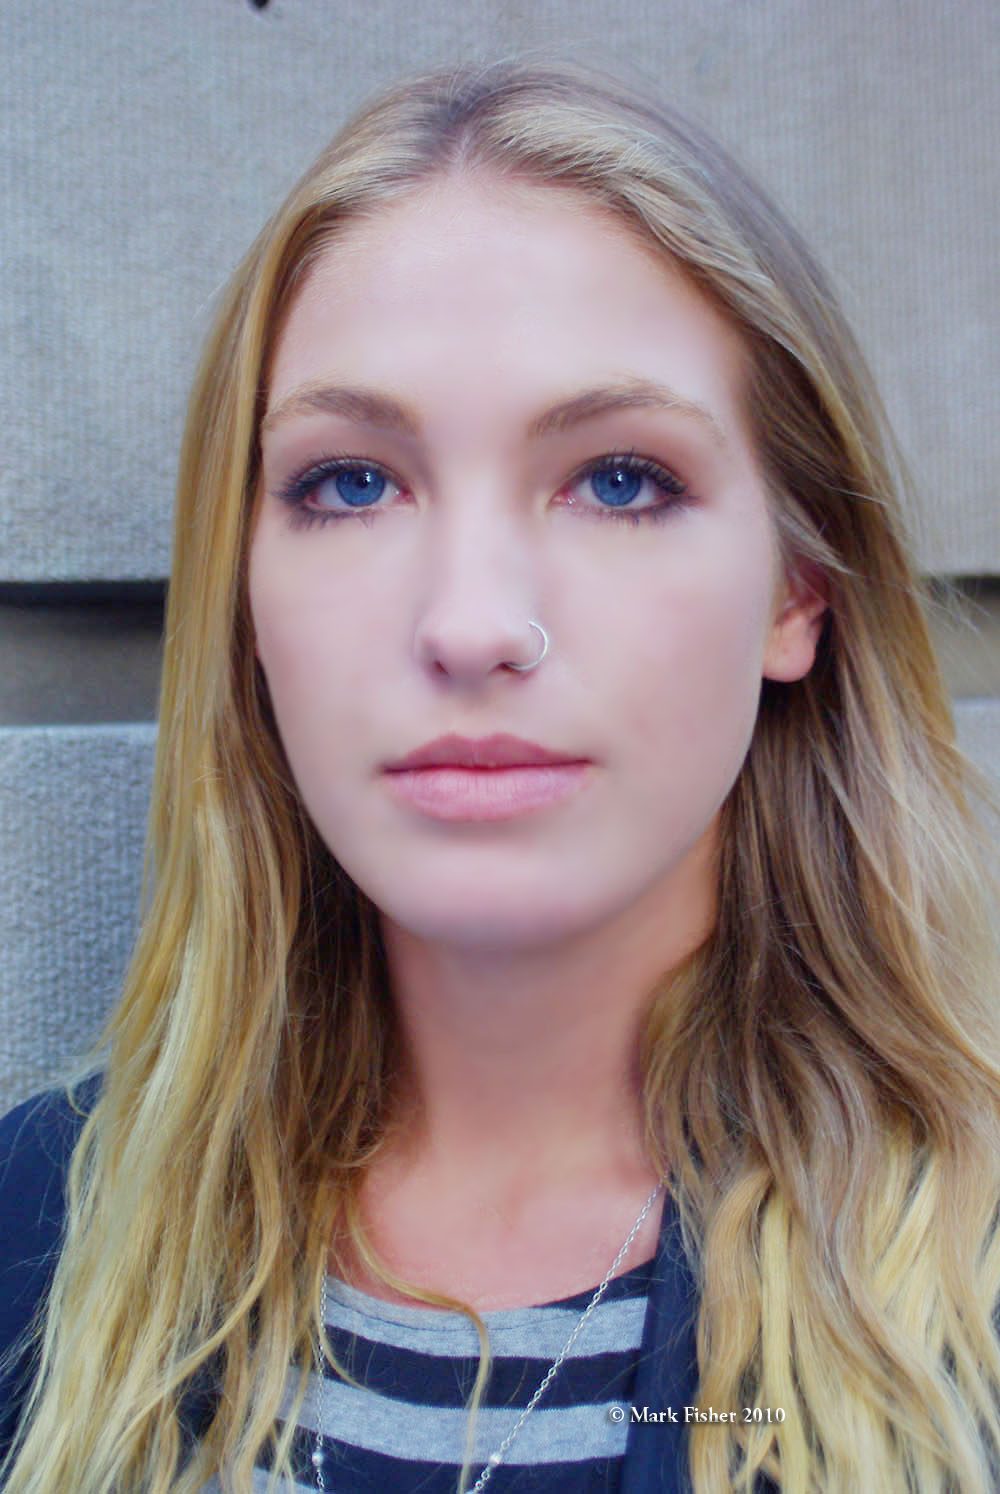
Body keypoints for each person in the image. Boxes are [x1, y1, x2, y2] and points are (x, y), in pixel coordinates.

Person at [1, 58, 999, 1494]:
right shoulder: (38, 1234)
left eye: (620, 479)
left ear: (798, 588)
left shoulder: (975, 1283)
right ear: (248, 601)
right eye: (351, 482)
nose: (472, 623)